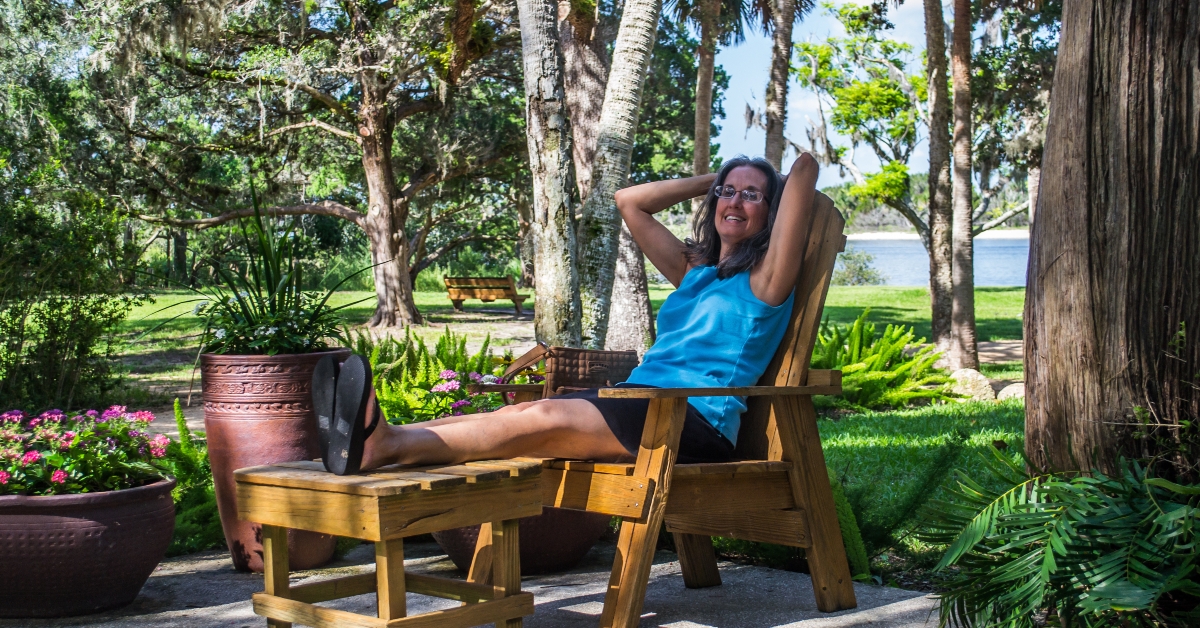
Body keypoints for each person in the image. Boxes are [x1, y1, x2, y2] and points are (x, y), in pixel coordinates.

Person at [314, 153, 819, 475]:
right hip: (640, 401)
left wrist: (761, 172)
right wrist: (721, 176)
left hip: (690, 421)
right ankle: (388, 441)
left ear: (772, 214)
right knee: (519, 414)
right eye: (727, 193)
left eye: (752, 196)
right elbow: (631, 202)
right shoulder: (695, 272)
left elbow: (805, 171)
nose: (734, 201)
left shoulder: (767, 281)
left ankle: (387, 444)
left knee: (543, 415)